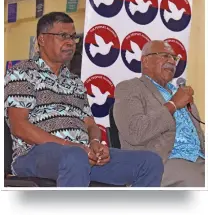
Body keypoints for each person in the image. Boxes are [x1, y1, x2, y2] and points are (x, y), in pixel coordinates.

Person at [4, 12, 164, 187]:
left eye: (73, 37)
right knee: (74, 156)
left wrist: (95, 143)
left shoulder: (75, 82)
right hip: (34, 154)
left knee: (150, 162)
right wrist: (69, 145)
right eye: (63, 36)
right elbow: (19, 126)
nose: (70, 42)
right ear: (42, 39)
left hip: (81, 155)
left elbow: (90, 124)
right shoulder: (22, 72)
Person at [114, 40, 205, 187]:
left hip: (199, 159)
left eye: (174, 58)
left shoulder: (180, 93)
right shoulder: (129, 88)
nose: (172, 62)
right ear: (146, 60)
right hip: (162, 161)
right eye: (165, 56)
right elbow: (135, 132)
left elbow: (198, 135)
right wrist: (173, 104)